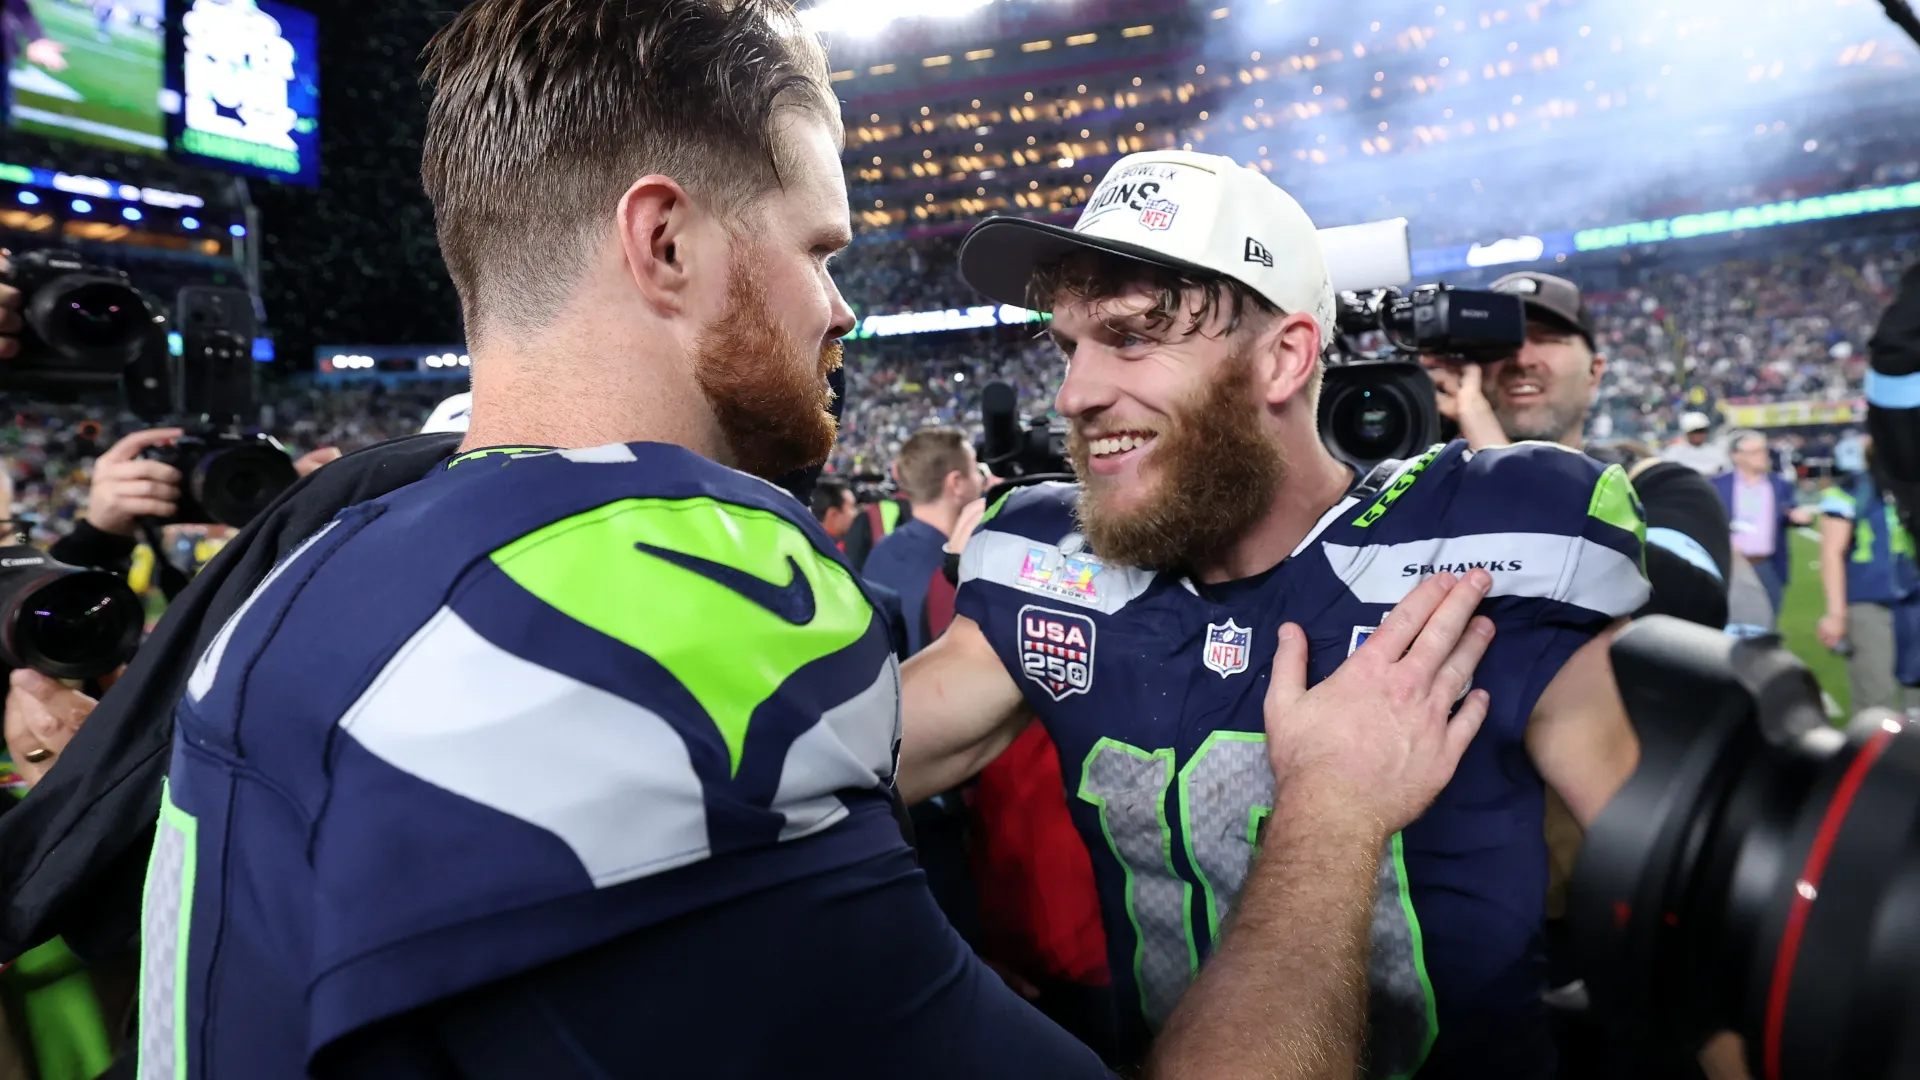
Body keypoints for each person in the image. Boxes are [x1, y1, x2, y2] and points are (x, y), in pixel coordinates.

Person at [136, 5, 1494, 1079]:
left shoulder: (313, 557)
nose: (839, 307)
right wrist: (1333, 809)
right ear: (664, 243)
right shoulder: (656, 600)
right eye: (820, 248)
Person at [902, 150, 1649, 1078]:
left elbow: (1687, 911)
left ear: (1286, 357)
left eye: (1133, 336)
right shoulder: (1042, 558)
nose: (1075, 394)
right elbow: (821, 773)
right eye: (1069, 345)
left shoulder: (1493, 544)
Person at [1430, 272, 1734, 633]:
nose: (1522, 357)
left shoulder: (1657, 485)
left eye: (1547, 339)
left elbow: (1692, 608)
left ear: (1595, 372)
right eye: (1500, 342)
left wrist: (1499, 464)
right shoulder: (1426, 485)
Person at [1816, 438, 1920, 713]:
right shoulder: (1850, 492)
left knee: (1917, 698)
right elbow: (1831, 554)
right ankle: (1876, 756)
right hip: (1869, 601)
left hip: (1913, 602)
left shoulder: (1908, 490)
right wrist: (1836, 614)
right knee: (1877, 698)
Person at [863, 427, 983, 656]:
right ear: (956, 483)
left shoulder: (881, 551)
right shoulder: (957, 568)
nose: (981, 479)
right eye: (975, 469)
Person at [1711, 430, 1812, 620]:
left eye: (1763, 450)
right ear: (1736, 456)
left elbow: (1789, 512)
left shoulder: (1780, 485)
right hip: (1731, 565)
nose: (1762, 456)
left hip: (1767, 565)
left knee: (1767, 621)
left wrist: (1797, 517)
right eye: (1754, 452)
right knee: (1732, 622)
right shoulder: (1717, 485)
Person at [1663, 411, 1732, 476]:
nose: (1699, 435)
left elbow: (1726, 471)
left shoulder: (1716, 452)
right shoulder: (1674, 452)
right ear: (1687, 433)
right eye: (1695, 431)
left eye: (1702, 431)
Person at [808, 475, 860, 546]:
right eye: (852, 507)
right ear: (833, 513)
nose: (856, 513)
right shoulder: (836, 550)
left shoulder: (807, 540)